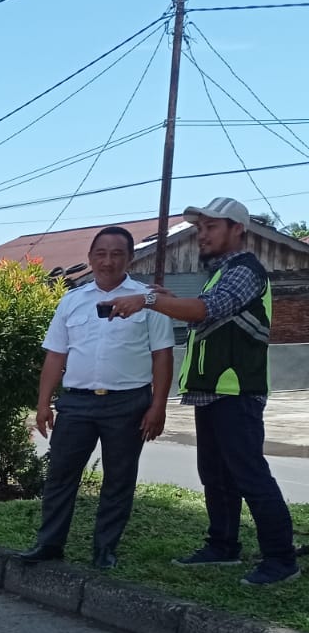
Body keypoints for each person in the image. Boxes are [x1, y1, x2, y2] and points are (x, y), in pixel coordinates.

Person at [105, 197, 298, 586]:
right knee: (215, 474)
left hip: (237, 393)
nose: (202, 235)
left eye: (211, 227)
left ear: (237, 229)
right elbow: (209, 312)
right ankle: (223, 546)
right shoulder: (220, 274)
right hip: (211, 391)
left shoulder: (245, 270)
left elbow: (207, 311)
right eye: (200, 228)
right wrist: (172, 301)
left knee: (250, 475)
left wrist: (149, 299)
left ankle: (281, 559)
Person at [19, 226, 174, 570]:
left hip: (128, 404)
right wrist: (43, 403)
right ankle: (49, 544)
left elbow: (162, 355)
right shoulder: (72, 301)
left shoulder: (149, 300)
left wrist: (158, 406)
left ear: (130, 258)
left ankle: (105, 549)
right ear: (89, 258)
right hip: (76, 403)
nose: (108, 261)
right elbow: (56, 355)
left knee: (119, 479)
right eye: (101, 254)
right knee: (60, 475)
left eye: (117, 254)